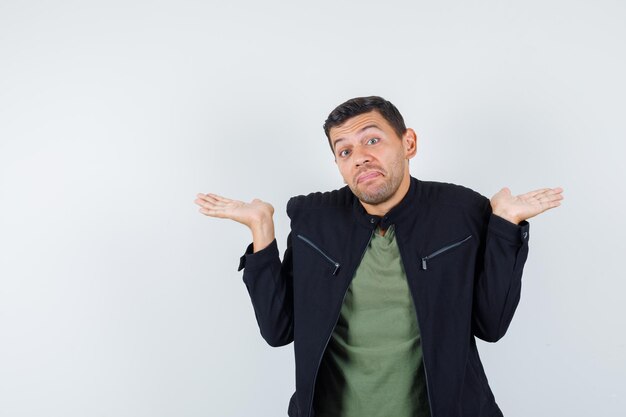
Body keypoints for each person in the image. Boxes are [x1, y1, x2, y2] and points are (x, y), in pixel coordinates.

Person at [195, 96, 563, 417]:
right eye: (345, 150)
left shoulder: (460, 211)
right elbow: (278, 330)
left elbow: (492, 325)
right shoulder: (313, 218)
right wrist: (261, 230)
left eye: (372, 139)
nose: (360, 158)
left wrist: (506, 225)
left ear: (409, 143)